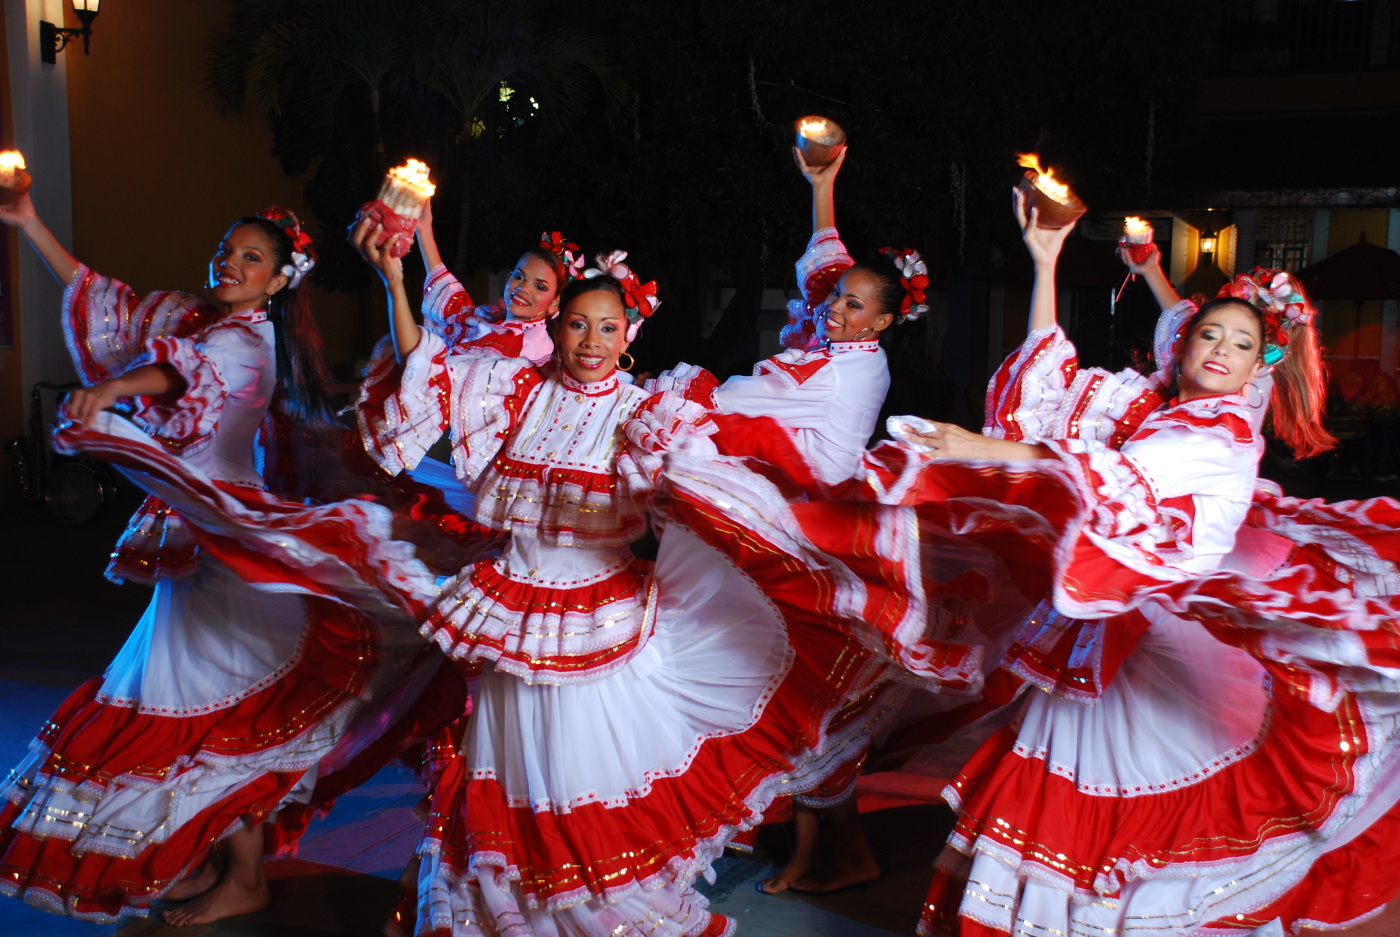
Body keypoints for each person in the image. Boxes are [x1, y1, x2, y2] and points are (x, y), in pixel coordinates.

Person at [351, 213, 898, 936]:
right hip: (513, 608)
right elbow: (429, 366)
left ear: (629, 335)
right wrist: (394, 277)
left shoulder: (647, 414)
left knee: (579, 779)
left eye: (608, 328)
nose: (590, 342)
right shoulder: (514, 388)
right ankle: (504, 906)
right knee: (509, 774)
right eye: (577, 324)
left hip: (597, 624)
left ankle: (588, 907)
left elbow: (726, 484)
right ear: (558, 325)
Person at [894, 191, 1400, 935]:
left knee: (1120, 788)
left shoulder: (1220, 429)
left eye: (1238, 342)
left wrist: (977, 447)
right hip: (1119, 617)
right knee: (1063, 766)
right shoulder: (1158, 404)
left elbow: (1107, 475)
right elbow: (1053, 391)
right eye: (1207, 336)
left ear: (1261, 363)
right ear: (1183, 347)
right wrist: (1047, 262)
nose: (1218, 349)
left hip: (1160, 628)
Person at [0, 195, 450, 926]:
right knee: (198, 703)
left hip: (232, 539)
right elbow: (116, 308)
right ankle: (217, 863)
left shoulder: (245, 343)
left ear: (278, 282)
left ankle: (239, 875)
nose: (230, 263)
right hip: (206, 536)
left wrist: (114, 388)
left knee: (213, 706)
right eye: (226, 248)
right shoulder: (199, 322)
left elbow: (178, 376)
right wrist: (28, 225)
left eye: (251, 257)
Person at [661, 143, 930, 894]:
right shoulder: (833, 346)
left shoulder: (837, 365)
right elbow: (825, 263)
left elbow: (737, 401)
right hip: (801, 514)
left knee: (794, 680)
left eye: (852, 304)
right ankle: (805, 837)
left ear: (880, 322)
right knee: (786, 677)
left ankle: (824, 848)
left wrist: (668, 402)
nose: (833, 307)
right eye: (837, 298)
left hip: (805, 524)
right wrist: (824, 185)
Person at [414, 198, 581, 366]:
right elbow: (450, 300)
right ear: (508, 278)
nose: (523, 288)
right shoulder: (486, 320)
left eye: (539, 287)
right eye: (519, 277)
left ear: (555, 302)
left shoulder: (532, 346)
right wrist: (423, 228)